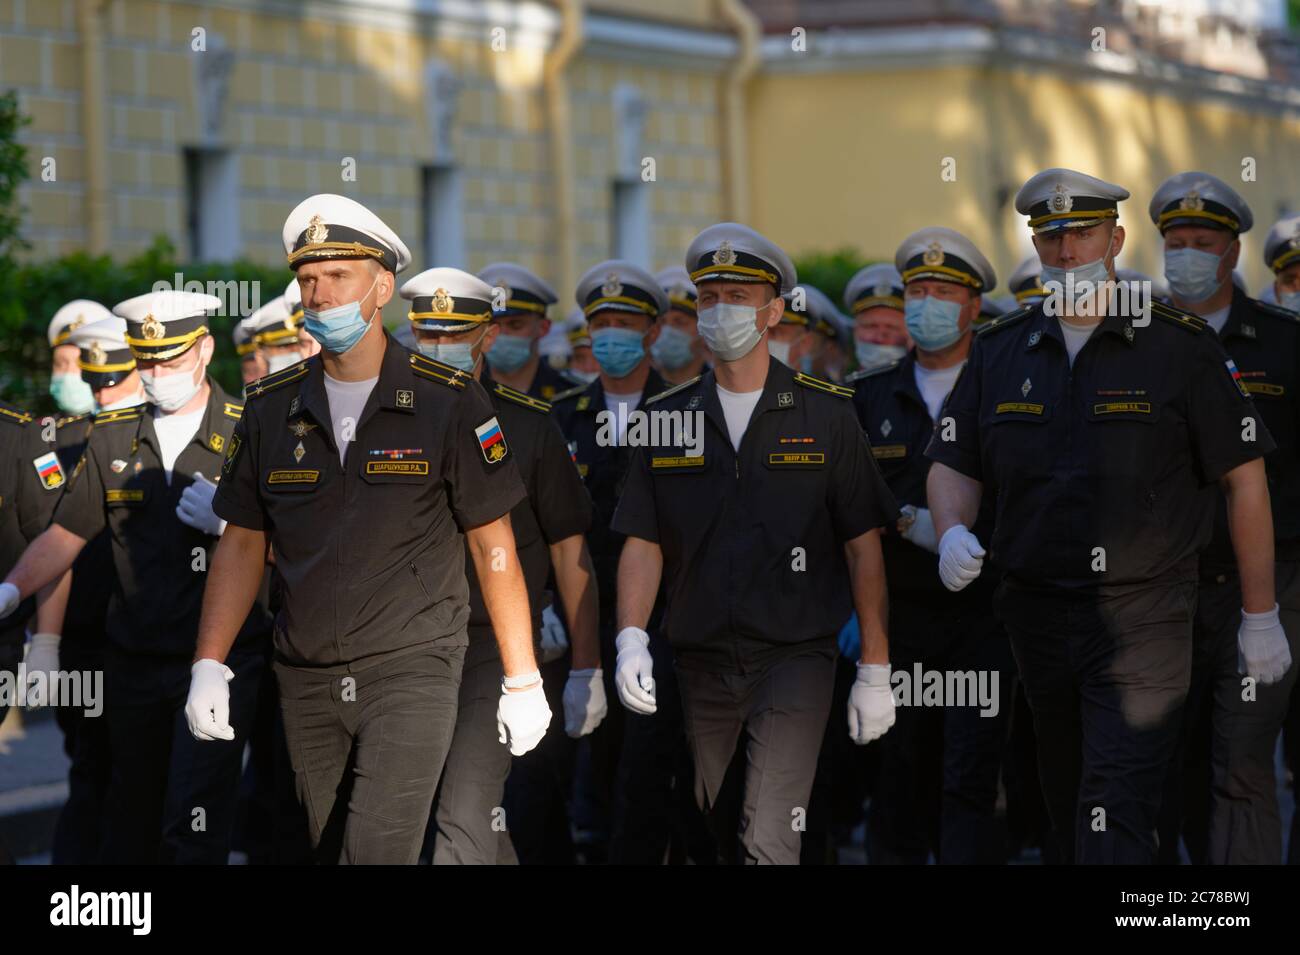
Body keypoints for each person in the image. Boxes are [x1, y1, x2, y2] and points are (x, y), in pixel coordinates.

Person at [924, 167, 1283, 864]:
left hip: (1142, 617)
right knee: (1068, 801)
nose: (1064, 253)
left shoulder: (1178, 346)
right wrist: (952, 531)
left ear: (1115, 239)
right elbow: (953, 461)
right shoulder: (1000, 351)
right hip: (1035, 613)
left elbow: (1244, 479)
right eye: (1049, 236)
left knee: (1113, 804)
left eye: (1081, 235)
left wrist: (1261, 613)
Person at [186, 194, 549, 864]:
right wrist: (209, 661)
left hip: (413, 668)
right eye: (307, 280)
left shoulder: (448, 398)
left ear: (382, 286)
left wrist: (523, 675)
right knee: (327, 848)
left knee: (374, 849)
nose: (319, 295)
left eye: (339, 276)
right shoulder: (270, 408)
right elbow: (241, 541)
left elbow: (492, 542)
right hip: (305, 675)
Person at [610, 222, 899, 864]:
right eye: (708, 297)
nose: (721, 310)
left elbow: (862, 545)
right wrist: (631, 636)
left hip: (795, 657)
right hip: (700, 658)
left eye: (738, 296)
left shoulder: (826, 414)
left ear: (773, 310)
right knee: (713, 822)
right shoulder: (665, 417)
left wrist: (875, 667)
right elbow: (643, 539)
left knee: (768, 834)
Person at [1, 289, 272, 864]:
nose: (154, 375)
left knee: (193, 826)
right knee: (131, 826)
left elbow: (303, 540)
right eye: (144, 361)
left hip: (221, 662)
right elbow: (65, 534)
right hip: (134, 664)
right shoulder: (114, 434)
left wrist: (233, 528)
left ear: (203, 349)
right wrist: (12, 588)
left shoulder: (251, 428)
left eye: (168, 360)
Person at [396, 266, 602, 864]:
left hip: (493, 646)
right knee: (439, 816)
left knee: (471, 807)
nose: (440, 346)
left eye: (455, 334)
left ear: (485, 336)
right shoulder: (387, 418)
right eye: (428, 334)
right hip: (404, 646)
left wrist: (586, 668)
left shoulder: (530, 427)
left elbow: (569, 546)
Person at [847, 227, 1012, 863]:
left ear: (974, 306)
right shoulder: (869, 395)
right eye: (917, 290)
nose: (926, 304)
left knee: (973, 775)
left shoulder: (1006, 385)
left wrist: (966, 535)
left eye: (943, 291)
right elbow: (849, 503)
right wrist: (906, 520)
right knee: (900, 771)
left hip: (985, 615)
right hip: (901, 618)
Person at [1149, 172, 1299, 864]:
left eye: (1201, 242)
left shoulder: (1283, 342)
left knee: (1240, 761)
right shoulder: (1136, 338)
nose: (1186, 254)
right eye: (1173, 242)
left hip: (1267, 586)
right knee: (1168, 767)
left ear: (1232, 252)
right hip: (1163, 586)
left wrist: (1265, 611)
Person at [477, 262, 570, 400]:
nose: (502, 334)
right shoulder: (468, 393)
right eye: (492, 325)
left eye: (515, 325)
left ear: (543, 328)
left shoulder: (567, 396)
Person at [842, 264, 911, 374]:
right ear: (855, 331)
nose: (879, 338)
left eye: (891, 327)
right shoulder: (839, 389)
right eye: (870, 326)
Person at [651, 267, 707, 385]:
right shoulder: (633, 390)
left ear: (703, 328)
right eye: (662, 322)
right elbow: (622, 403)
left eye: (680, 322)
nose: (668, 330)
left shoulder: (722, 388)